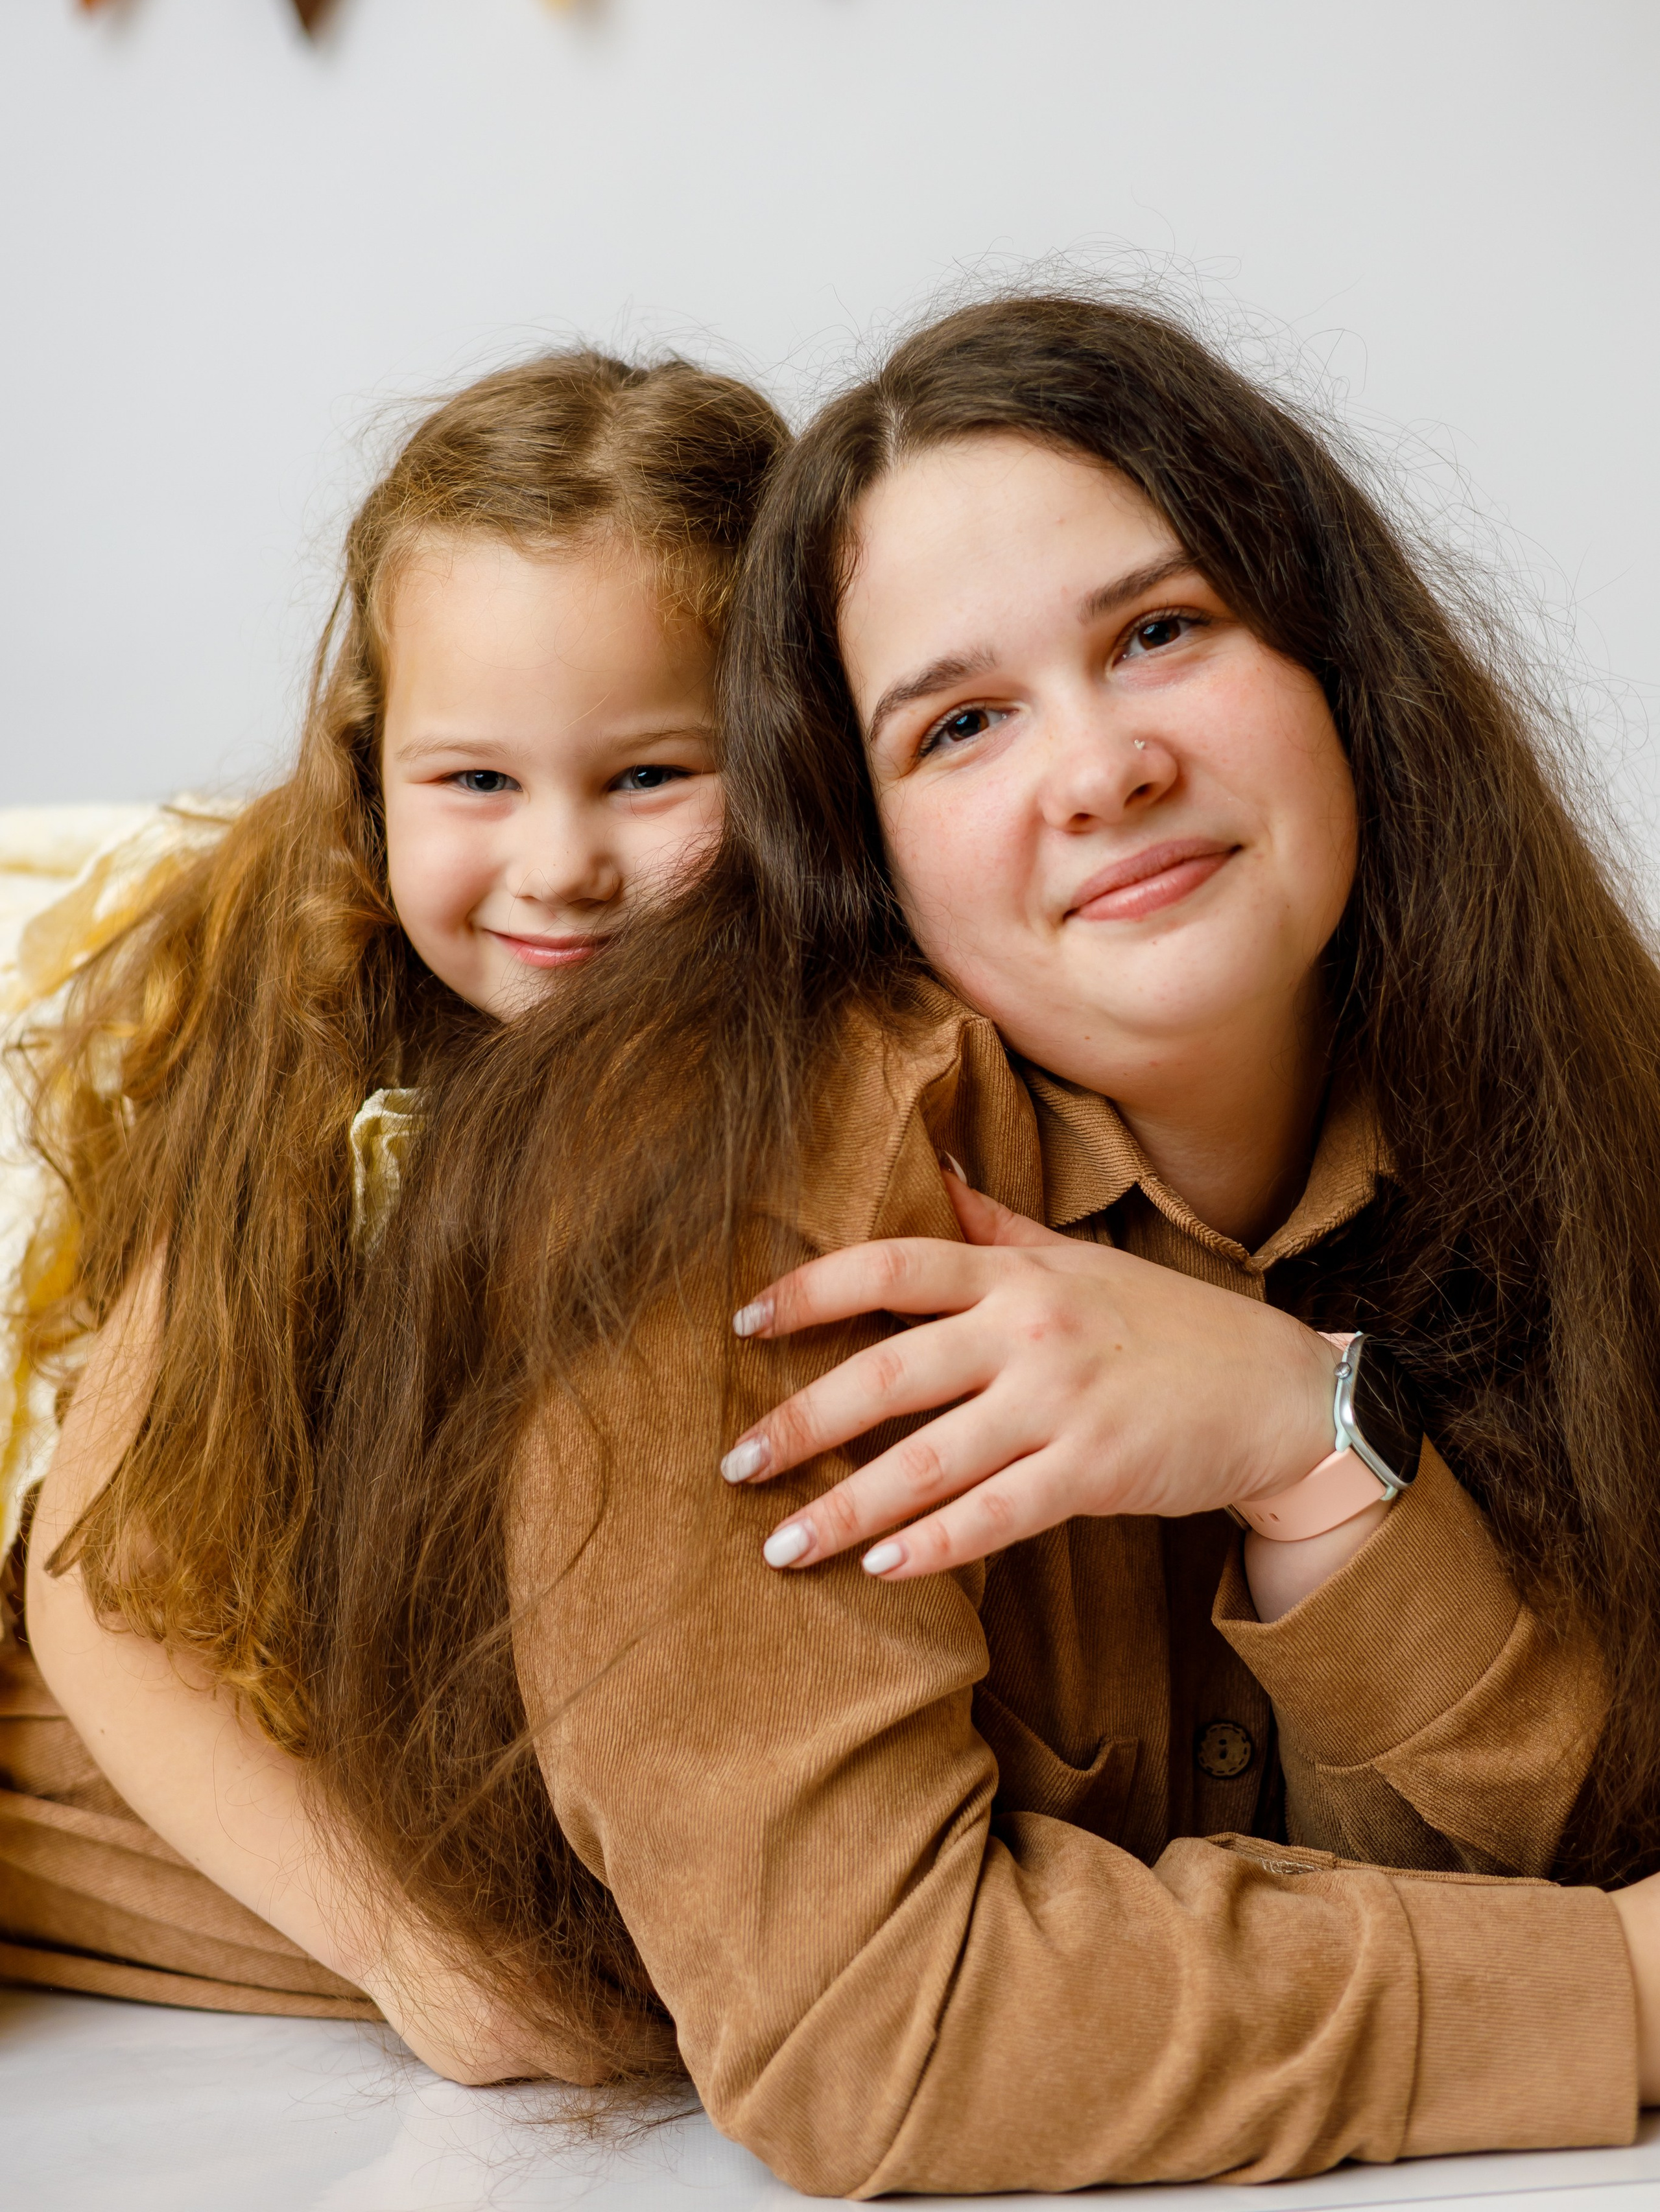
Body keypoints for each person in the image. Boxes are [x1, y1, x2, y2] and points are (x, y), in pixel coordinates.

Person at [314, 292, 1660, 2186]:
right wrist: (1616, 1984)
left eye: (1164, 631)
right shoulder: (726, 1176)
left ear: (1339, 664)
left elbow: (1588, 1818)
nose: (1101, 768)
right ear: (853, 849)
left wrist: (1308, 1434)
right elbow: (884, 2031)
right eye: (958, 724)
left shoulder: (1562, 1093)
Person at [8, 348, 786, 2067]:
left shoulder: (837, 1023)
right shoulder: (319, 1000)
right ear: (373, 772)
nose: (560, 863)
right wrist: (408, 1956)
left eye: (653, 777)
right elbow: (97, 1580)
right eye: (475, 783)